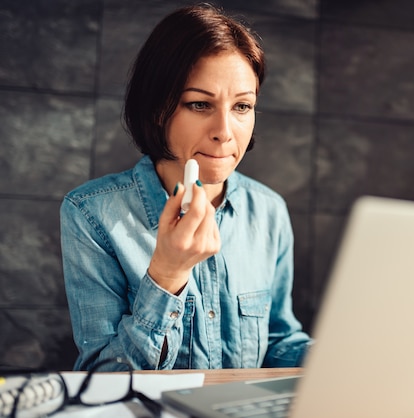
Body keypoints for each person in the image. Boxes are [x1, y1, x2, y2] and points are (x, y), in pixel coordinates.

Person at [60, 3, 312, 371]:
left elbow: (278, 341)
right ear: (157, 108)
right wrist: (167, 275)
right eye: (199, 104)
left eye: (242, 107)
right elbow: (103, 377)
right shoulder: (90, 214)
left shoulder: (268, 210)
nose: (225, 132)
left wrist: (344, 357)